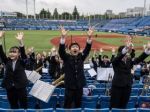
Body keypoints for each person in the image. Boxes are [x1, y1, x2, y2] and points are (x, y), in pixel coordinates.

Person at [58, 26, 94, 108]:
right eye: (73, 47)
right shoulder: (66, 57)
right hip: (69, 86)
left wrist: (89, 37)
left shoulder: (81, 57)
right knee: (67, 104)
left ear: (79, 50)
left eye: (77, 47)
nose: (75, 48)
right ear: (70, 50)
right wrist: (63, 37)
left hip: (79, 86)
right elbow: (61, 51)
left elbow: (87, 49)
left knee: (78, 104)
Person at [110, 41, 150, 109]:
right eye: (126, 51)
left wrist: (147, 50)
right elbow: (119, 57)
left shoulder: (129, 61)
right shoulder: (115, 61)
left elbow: (139, 59)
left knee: (124, 106)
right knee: (115, 106)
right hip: (117, 87)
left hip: (127, 87)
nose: (127, 53)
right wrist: (126, 48)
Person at [0, 31, 28, 109]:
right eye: (11, 52)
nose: (12, 53)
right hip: (10, 88)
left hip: (21, 88)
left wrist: (20, 41)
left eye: (14, 52)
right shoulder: (7, 61)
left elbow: (24, 55)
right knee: (13, 106)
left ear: (18, 54)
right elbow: (1, 52)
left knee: (24, 106)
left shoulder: (22, 62)